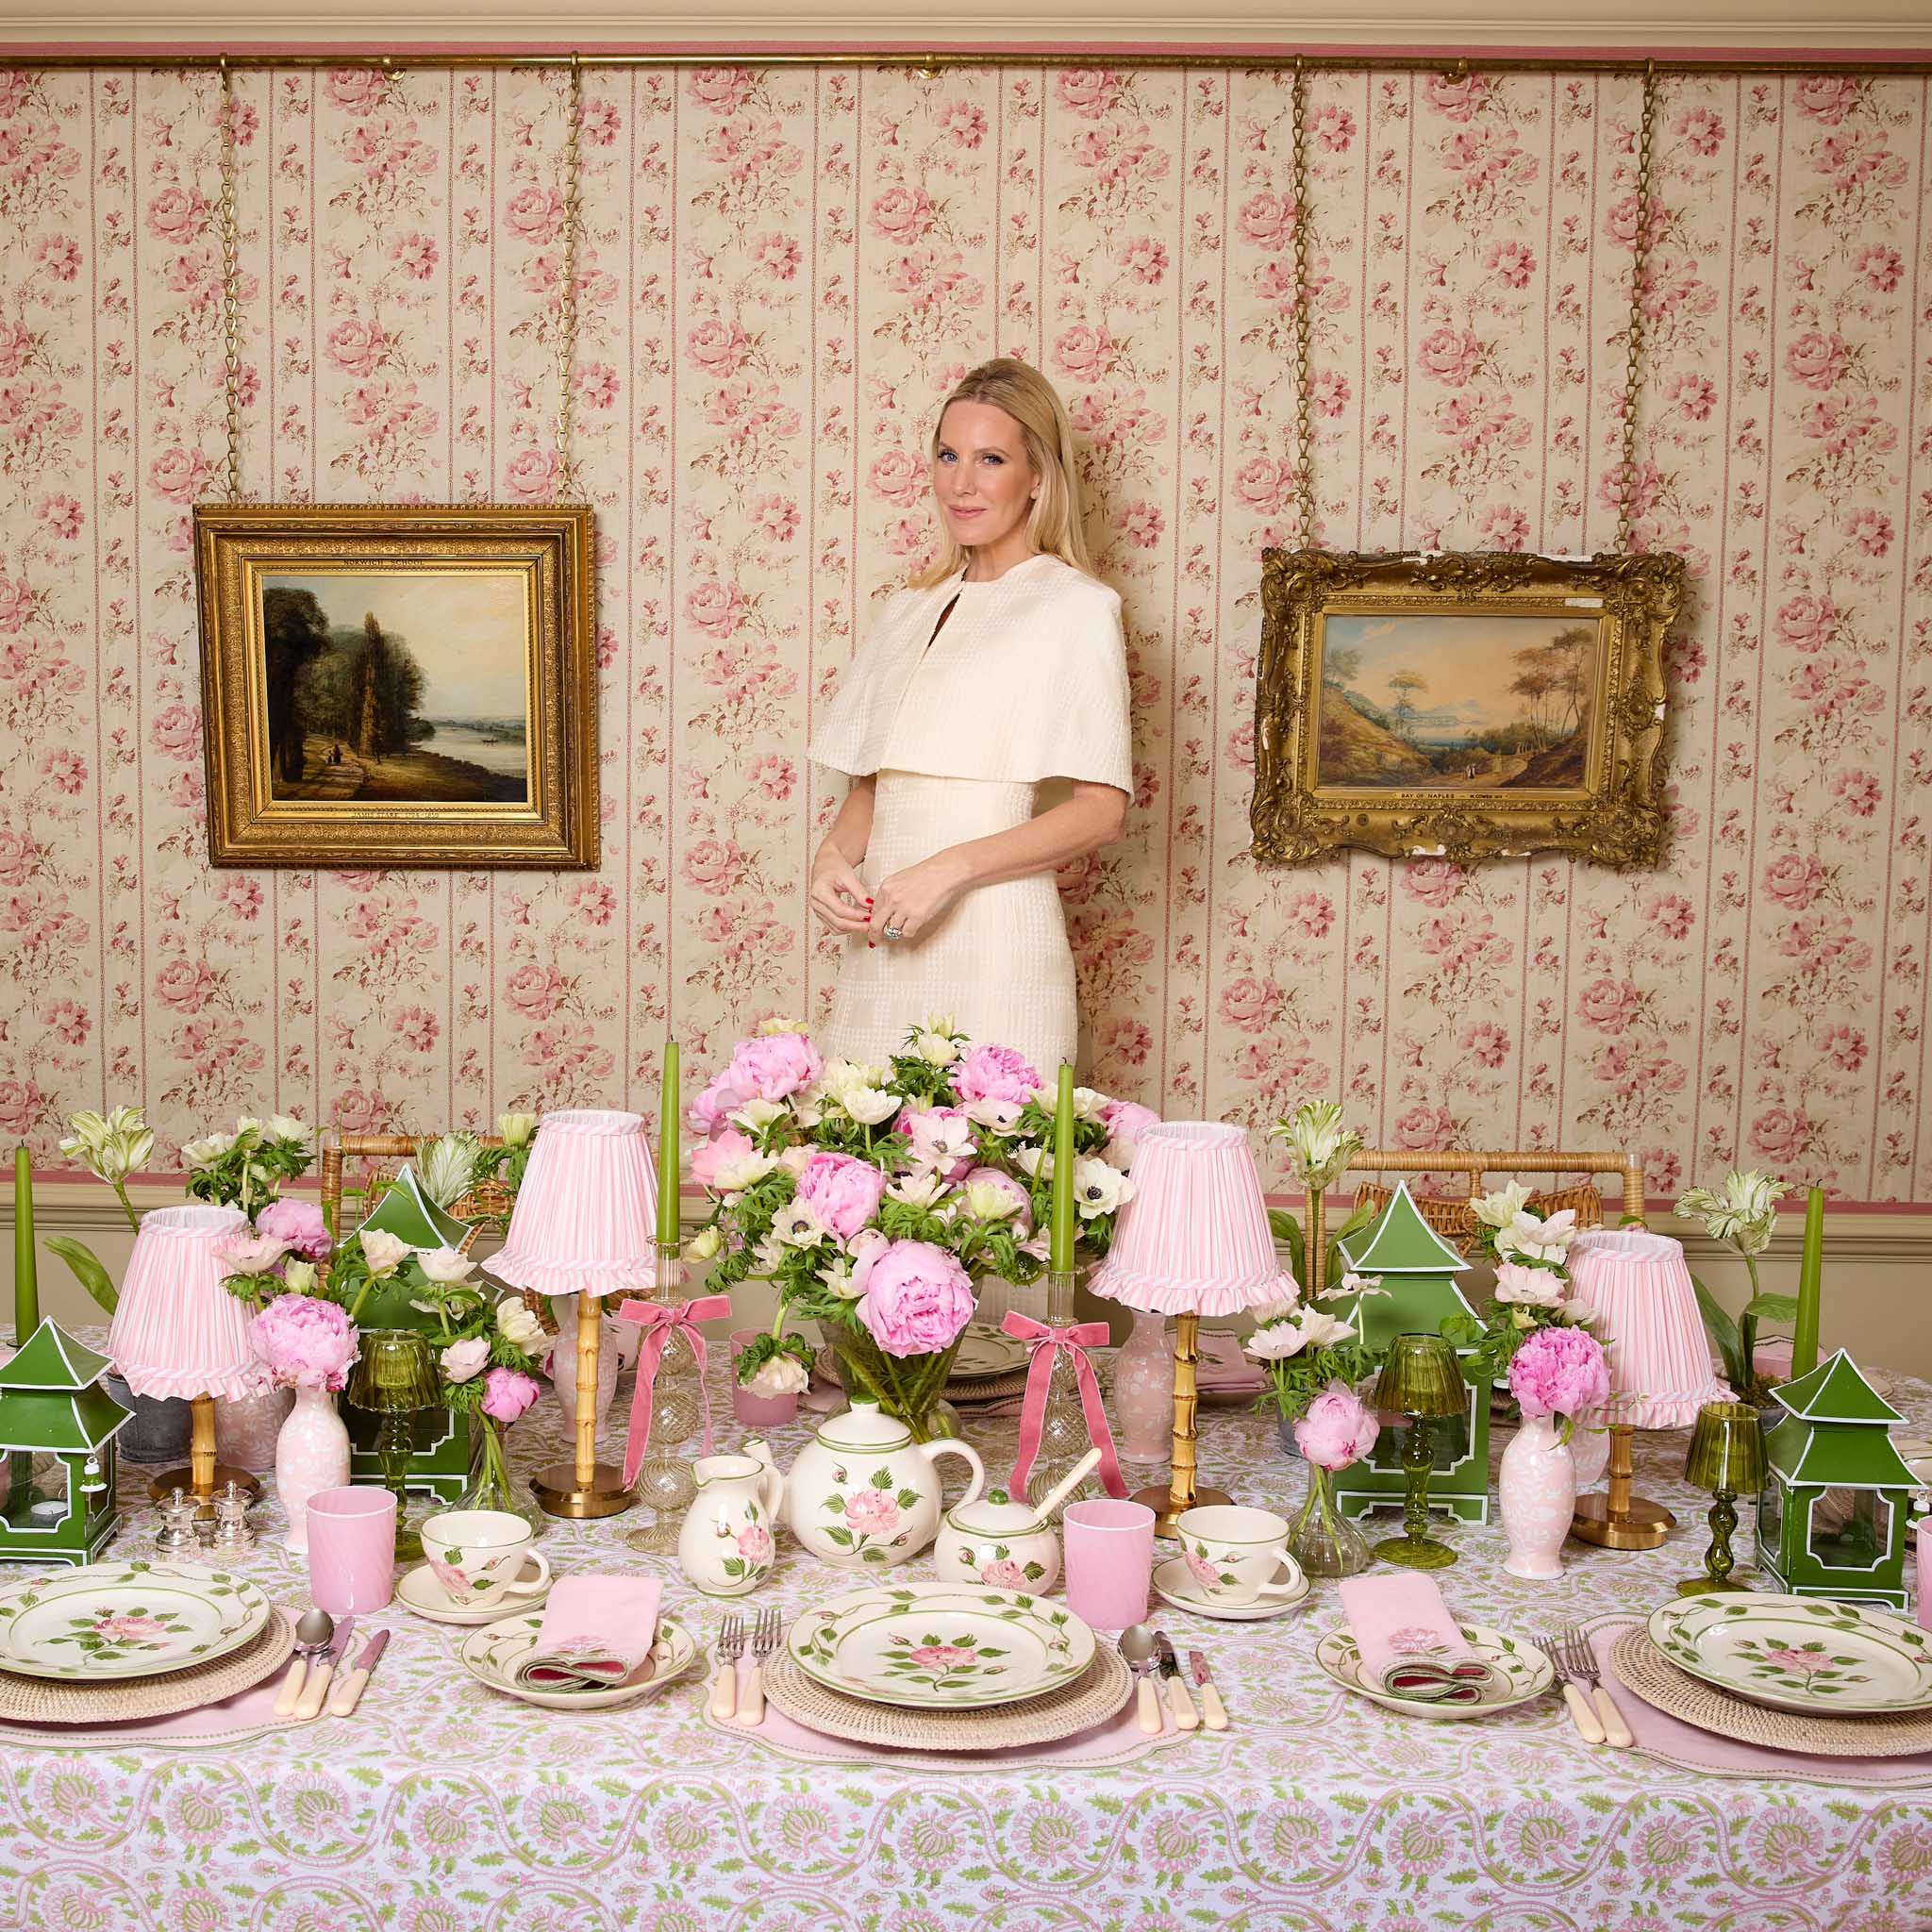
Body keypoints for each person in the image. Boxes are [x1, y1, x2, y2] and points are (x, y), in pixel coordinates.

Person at [806, 358, 1133, 1078]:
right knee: (858, 1162)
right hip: (884, 940)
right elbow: (878, 783)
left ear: (1039, 476)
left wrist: (947, 873)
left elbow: (1100, 813)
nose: (962, 482)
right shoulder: (907, 610)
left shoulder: (1075, 607)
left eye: (991, 459)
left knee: (995, 1172)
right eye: (948, 455)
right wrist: (834, 859)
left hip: (996, 940)